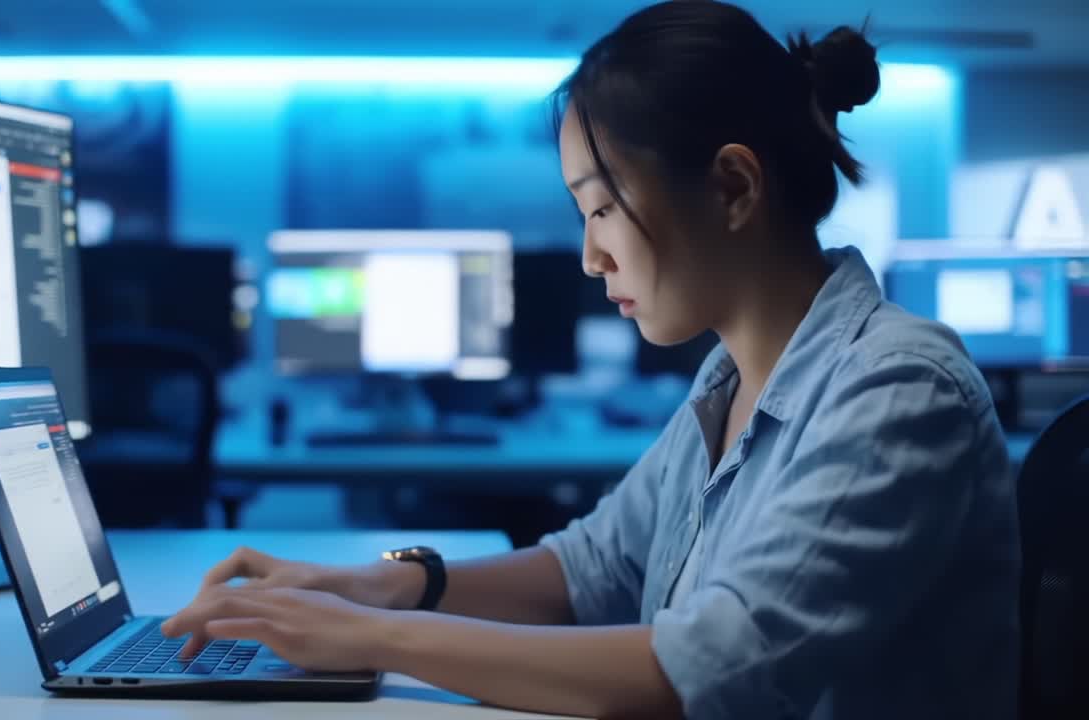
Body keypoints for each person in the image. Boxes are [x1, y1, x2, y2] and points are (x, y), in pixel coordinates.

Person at [163, 2, 1020, 717]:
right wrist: (375, 586)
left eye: (603, 209)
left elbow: (708, 671)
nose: (589, 257)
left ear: (733, 189)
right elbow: (593, 569)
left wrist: (369, 640)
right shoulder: (731, 382)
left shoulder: (899, 389)